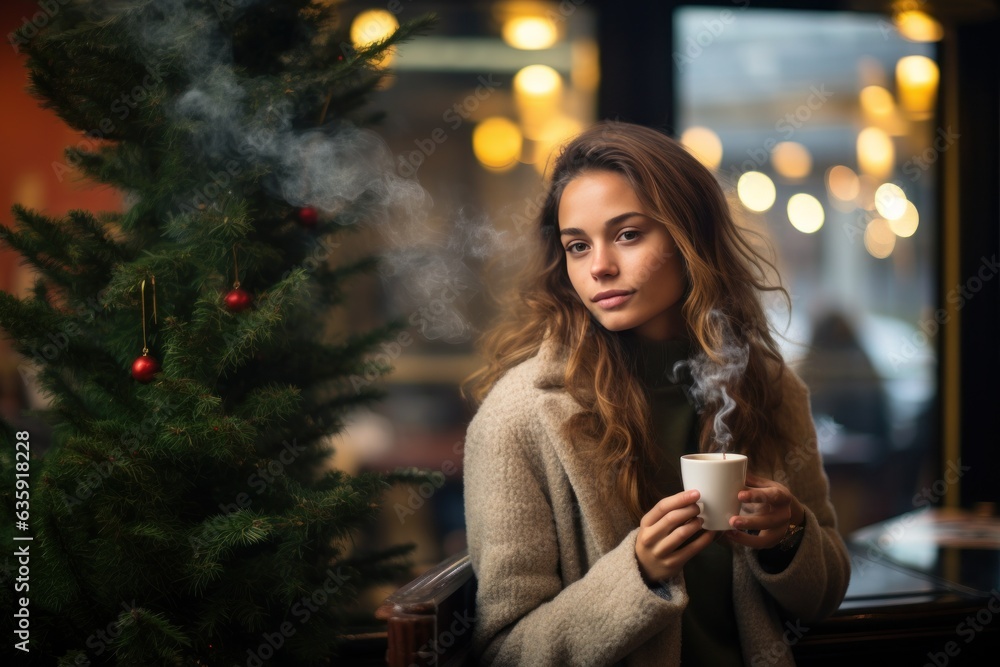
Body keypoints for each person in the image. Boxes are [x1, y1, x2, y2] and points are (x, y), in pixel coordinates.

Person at [462, 121, 850, 666]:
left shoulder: (769, 386)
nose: (599, 266)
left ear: (691, 239)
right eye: (578, 245)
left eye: (627, 234)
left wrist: (789, 536)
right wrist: (638, 573)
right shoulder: (520, 418)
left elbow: (826, 595)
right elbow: (506, 653)